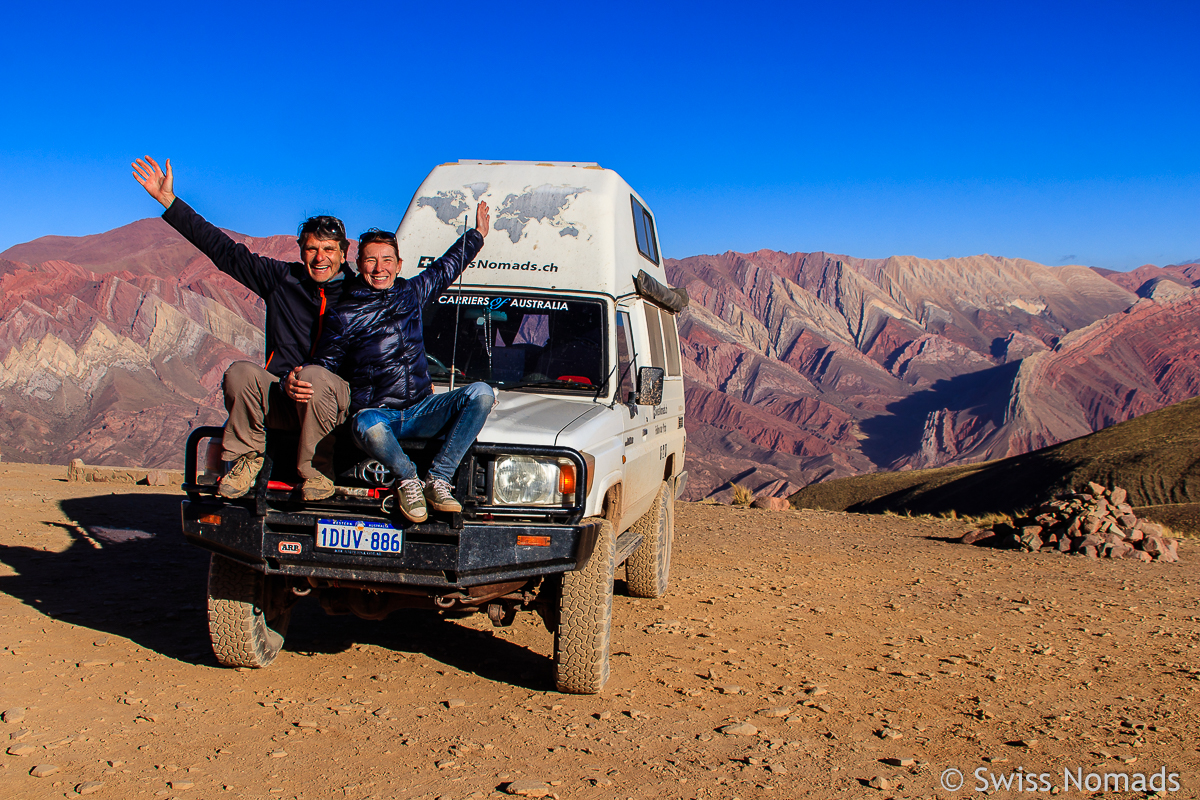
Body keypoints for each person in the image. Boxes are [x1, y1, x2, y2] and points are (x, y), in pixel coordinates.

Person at [132, 156, 352, 501]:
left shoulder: (362, 294)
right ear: (300, 251)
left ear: (344, 253)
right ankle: (246, 459)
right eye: (311, 249)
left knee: (316, 377)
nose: (319, 257)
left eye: (328, 250)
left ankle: (316, 473)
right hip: (281, 398)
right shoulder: (282, 280)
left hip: (330, 405)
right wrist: (169, 202)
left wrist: (473, 237)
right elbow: (224, 251)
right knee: (240, 373)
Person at [309, 204, 494, 522]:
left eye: (386, 260)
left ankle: (438, 479)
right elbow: (325, 367)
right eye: (371, 260)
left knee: (481, 393)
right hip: (380, 418)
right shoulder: (344, 314)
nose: (379, 268)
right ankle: (409, 480)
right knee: (366, 422)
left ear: (398, 264)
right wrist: (299, 379)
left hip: (422, 409)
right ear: (359, 263)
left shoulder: (411, 292)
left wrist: (476, 234)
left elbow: (446, 267)